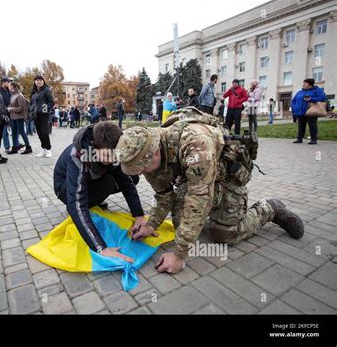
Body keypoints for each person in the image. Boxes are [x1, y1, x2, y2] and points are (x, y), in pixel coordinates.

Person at [116, 107, 305, 274]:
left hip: (228, 177)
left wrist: (179, 255)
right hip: (198, 178)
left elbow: (199, 196)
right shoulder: (148, 157)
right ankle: (214, 212)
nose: (140, 173)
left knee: (224, 235)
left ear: (155, 152)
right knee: (179, 223)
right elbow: (163, 194)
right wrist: (151, 225)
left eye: (141, 168)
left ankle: (270, 208)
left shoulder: (195, 142)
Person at [53, 121, 146, 262]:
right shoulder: (78, 156)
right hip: (65, 190)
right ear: (94, 147)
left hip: (89, 180)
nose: (113, 160)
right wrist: (101, 248)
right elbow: (75, 204)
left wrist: (139, 216)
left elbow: (127, 184)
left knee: (131, 177)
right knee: (103, 186)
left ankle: (93, 201)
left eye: (116, 155)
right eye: (107, 156)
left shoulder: (112, 153)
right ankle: (90, 204)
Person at [291, 78, 327, 145]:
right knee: (301, 125)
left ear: (310, 84)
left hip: (311, 111)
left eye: (305, 83)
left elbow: (323, 98)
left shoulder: (316, 90)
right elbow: (293, 100)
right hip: (300, 112)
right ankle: (299, 139)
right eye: (303, 83)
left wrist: (312, 99)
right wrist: (294, 108)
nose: (303, 84)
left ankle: (313, 139)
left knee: (312, 125)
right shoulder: (300, 92)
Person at [31, 75, 54, 158]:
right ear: (34, 81)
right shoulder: (34, 92)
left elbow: (51, 102)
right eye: (37, 80)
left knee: (44, 132)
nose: (39, 81)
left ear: (43, 81)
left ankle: (48, 149)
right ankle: (43, 149)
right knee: (39, 133)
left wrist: (44, 110)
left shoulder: (46, 90)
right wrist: (31, 111)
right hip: (36, 116)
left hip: (44, 115)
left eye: (40, 80)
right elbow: (32, 103)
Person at [7, 81, 32, 155]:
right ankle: (15, 147)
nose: (8, 86)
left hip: (19, 117)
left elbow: (21, 108)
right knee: (14, 132)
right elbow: (13, 105)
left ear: (13, 86)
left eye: (9, 85)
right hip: (13, 117)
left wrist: (11, 109)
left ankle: (28, 147)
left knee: (22, 132)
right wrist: (9, 108)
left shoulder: (19, 96)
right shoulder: (13, 95)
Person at [0, 77, 12, 153]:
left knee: (14, 130)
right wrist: (5, 108)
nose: (9, 83)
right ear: (3, 82)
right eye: (8, 82)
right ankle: (7, 146)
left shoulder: (9, 91)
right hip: (3, 113)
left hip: (11, 112)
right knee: (5, 131)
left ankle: (16, 144)